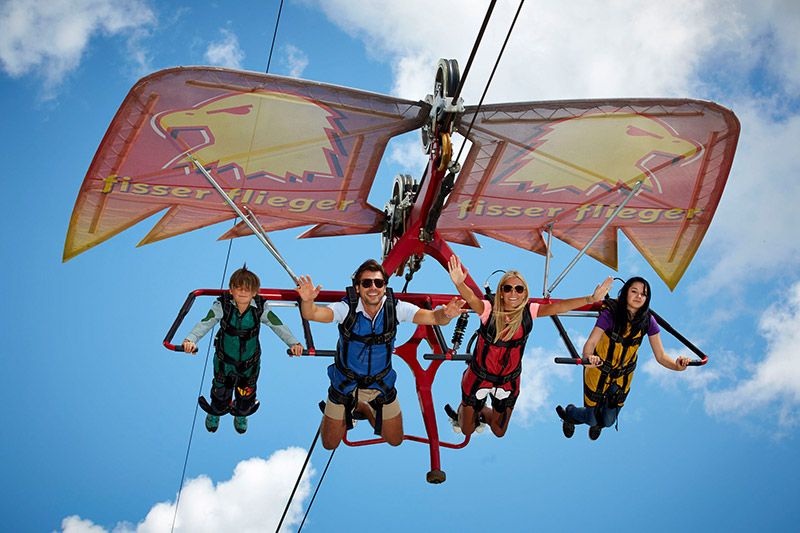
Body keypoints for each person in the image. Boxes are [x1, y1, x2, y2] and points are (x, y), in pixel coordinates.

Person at [296, 259, 465, 450]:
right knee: (329, 444)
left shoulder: (396, 308)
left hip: (380, 384)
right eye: (367, 283)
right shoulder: (346, 309)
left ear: (385, 287)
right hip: (344, 383)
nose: (373, 287)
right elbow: (314, 314)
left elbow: (434, 317)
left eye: (378, 283)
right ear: (358, 288)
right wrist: (308, 301)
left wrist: (448, 314)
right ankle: (352, 405)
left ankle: (364, 408)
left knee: (395, 439)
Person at [447, 255, 613, 438]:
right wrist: (459, 284)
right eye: (507, 288)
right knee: (467, 430)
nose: (513, 294)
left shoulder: (528, 312)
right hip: (479, 376)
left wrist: (590, 298)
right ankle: (466, 410)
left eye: (519, 289)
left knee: (499, 431)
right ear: (501, 292)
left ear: (524, 294)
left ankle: (481, 409)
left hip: (508, 380)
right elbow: (471, 298)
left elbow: (559, 307)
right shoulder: (488, 310)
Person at [555, 276, 690, 440]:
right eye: (634, 291)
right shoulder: (610, 314)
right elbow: (590, 344)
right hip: (598, 369)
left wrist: (677, 365)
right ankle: (570, 414)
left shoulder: (648, 321)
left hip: (622, 378)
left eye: (643, 294)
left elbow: (661, 356)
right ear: (626, 293)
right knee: (591, 419)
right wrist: (588, 358)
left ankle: (600, 422)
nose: (639, 296)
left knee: (608, 421)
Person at [183, 266, 303, 434]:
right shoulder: (222, 305)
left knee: (246, 393)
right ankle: (216, 410)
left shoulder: (260, 308)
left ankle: (241, 413)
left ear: (254, 293)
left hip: (249, 363)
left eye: (247, 289)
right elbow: (206, 322)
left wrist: (293, 343)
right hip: (225, 361)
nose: (242, 292)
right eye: (238, 288)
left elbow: (277, 324)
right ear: (231, 290)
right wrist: (191, 339)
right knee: (220, 389)